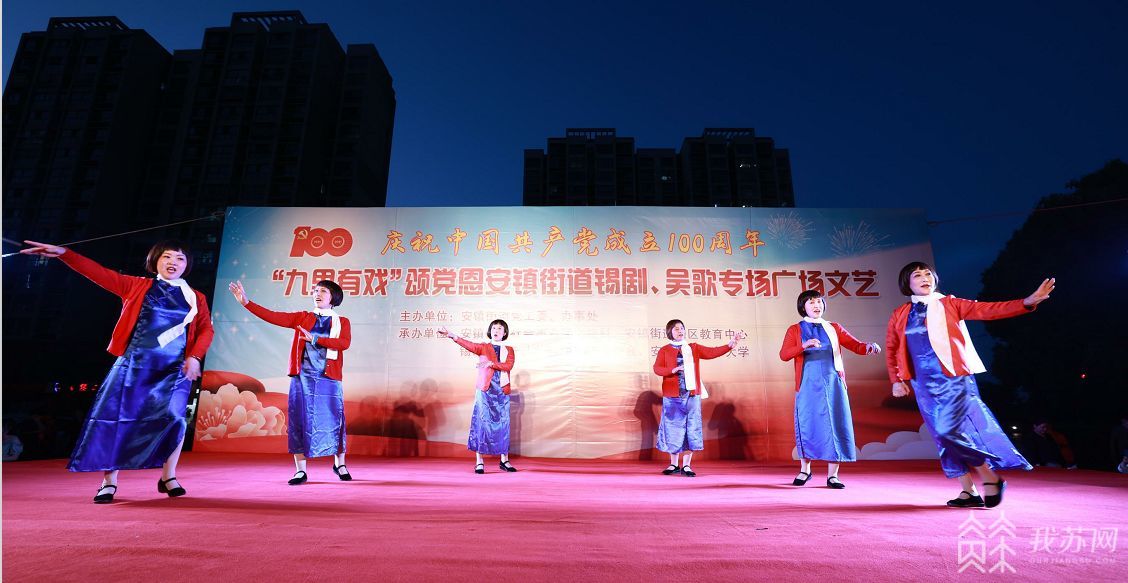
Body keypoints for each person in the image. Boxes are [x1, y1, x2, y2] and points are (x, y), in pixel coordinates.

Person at [21, 240, 214, 503]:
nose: (173, 262)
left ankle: (168, 476)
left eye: (180, 258)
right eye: (167, 257)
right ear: (155, 261)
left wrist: (195, 356)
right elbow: (98, 273)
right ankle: (109, 482)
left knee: (175, 420)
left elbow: (206, 329)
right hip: (133, 366)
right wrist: (65, 254)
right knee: (117, 420)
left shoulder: (195, 297)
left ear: (187, 265)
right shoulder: (136, 285)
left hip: (174, 370)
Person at [886, 261, 1054, 508]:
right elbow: (891, 348)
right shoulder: (900, 314)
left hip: (954, 379)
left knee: (949, 431)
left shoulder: (950, 304)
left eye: (927, 274)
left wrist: (1027, 302)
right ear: (907, 283)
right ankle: (968, 491)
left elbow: (988, 310)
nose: (924, 278)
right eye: (917, 275)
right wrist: (896, 380)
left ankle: (990, 477)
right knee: (942, 438)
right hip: (923, 385)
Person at [229, 280, 353, 485]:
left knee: (335, 419)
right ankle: (300, 470)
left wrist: (315, 339)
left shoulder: (342, 322)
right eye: (315, 290)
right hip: (302, 377)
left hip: (328, 378)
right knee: (299, 420)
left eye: (323, 291)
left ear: (334, 297)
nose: (317, 294)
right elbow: (273, 316)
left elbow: (343, 343)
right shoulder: (302, 317)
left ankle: (340, 464)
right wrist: (246, 303)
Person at [780, 290, 881, 489]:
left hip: (833, 383)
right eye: (811, 302)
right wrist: (803, 345)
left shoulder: (834, 328)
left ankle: (833, 475)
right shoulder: (795, 329)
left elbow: (856, 346)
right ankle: (805, 470)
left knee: (836, 424)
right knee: (808, 425)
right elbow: (784, 355)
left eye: (819, 302)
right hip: (807, 385)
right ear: (803, 307)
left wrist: (869, 347)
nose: (816, 305)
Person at [652, 320, 746, 477]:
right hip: (672, 396)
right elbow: (657, 368)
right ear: (670, 332)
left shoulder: (693, 348)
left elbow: (712, 352)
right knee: (673, 429)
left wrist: (730, 344)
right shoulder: (664, 350)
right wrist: (672, 370)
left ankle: (686, 465)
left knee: (691, 428)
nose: (680, 331)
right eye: (676, 329)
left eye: (682, 328)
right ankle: (674, 464)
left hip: (691, 394)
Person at [437, 321, 517, 474]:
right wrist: (451, 335)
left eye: (500, 328)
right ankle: (479, 461)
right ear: (490, 331)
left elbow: (508, 366)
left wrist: (491, 363)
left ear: (505, 332)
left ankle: (504, 460)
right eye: (494, 328)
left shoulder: (509, 350)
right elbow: (468, 345)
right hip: (485, 390)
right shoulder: (483, 347)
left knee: (503, 425)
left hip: (502, 391)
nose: (496, 330)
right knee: (481, 423)